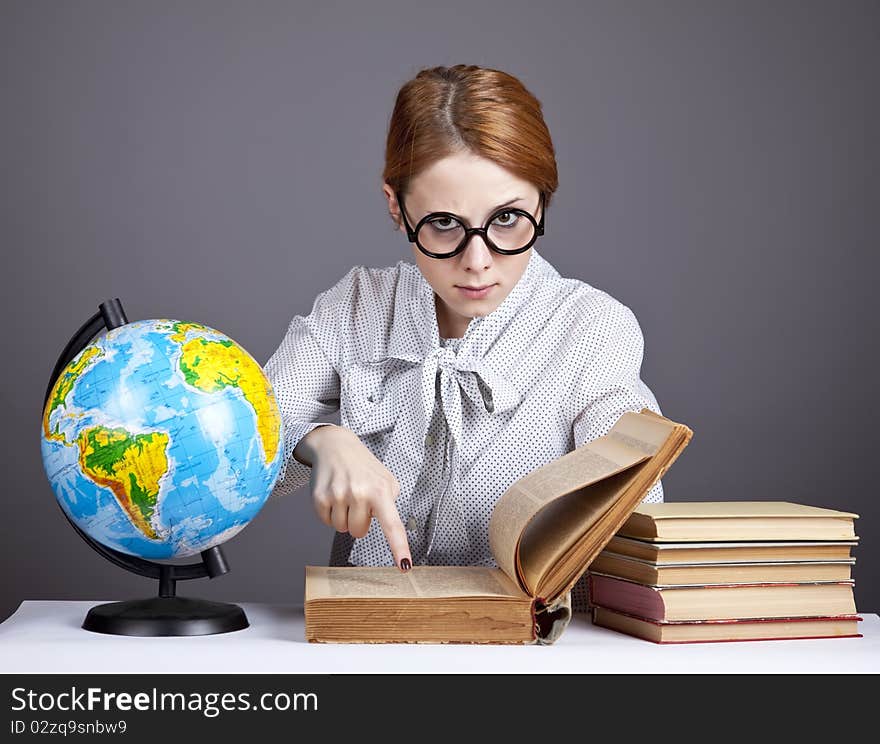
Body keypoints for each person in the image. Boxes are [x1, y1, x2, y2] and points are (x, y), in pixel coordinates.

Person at [263, 64, 664, 613]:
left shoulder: (593, 329)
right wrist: (322, 440)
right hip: (368, 644)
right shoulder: (353, 308)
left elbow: (637, 521)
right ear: (396, 207)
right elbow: (249, 438)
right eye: (444, 225)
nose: (478, 263)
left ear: (542, 204)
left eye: (508, 220)